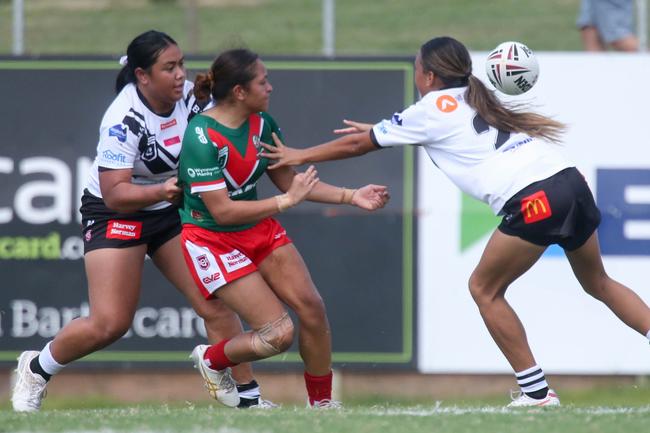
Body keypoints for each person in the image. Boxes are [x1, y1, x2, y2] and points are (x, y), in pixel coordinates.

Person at [260, 36, 650, 407]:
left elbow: (356, 144)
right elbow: (394, 132)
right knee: (598, 282)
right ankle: (542, 391)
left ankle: (537, 394)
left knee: (484, 288)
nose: (416, 75)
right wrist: (380, 131)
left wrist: (298, 154)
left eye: (417, 69)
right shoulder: (474, 95)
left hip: (535, 198)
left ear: (429, 76)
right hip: (570, 182)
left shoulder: (430, 109)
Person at [11, 30, 271, 412]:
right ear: (142, 76)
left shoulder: (188, 95)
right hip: (117, 210)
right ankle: (36, 367)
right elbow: (115, 191)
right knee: (110, 323)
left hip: (168, 207)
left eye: (181, 63)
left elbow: (230, 102)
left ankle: (248, 399)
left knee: (215, 300)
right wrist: (161, 192)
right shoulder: (123, 118)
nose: (181, 73)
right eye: (170, 68)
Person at [176, 48, 389, 409]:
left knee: (312, 308)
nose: (271, 87)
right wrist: (283, 203)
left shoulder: (263, 124)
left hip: (258, 229)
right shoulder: (201, 136)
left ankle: (322, 405)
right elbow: (223, 211)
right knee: (278, 336)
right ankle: (211, 359)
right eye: (263, 81)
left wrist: (352, 196)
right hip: (214, 239)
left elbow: (291, 182)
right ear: (240, 91)